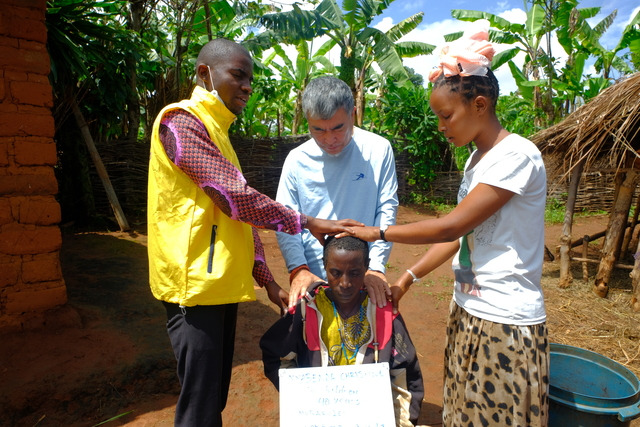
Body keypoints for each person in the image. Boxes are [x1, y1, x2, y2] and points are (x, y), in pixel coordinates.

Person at [340, 21, 549, 427]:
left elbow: (450, 227)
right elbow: (463, 238)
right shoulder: (477, 161)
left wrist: (378, 232)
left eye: (446, 116)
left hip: (506, 321)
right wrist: (407, 280)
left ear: (480, 105)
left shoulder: (517, 156)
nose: (441, 127)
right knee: (464, 415)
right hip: (470, 309)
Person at [147, 38, 360, 427]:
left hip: (218, 286)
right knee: (199, 407)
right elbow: (235, 198)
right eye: (238, 75)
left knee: (212, 399)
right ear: (204, 73)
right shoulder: (182, 122)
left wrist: (268, 282)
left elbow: (235, 220)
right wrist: (308, 222)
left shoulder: (219, 132)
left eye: (250, 79)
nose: (247, 86)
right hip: (193, 290)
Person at [260, 236, 424, 426]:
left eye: (354, 273)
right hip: (317, 417)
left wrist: (401, 422)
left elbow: (405, 375)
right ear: (324, 265)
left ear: (367, 266)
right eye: (335, 272)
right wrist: (299, 395)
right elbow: (276, 356)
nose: (345, 283)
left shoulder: (383, 314)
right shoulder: (306, 310)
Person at [276, 75, 399, 310]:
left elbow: (386, 208)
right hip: (313, 281)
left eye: (338, 128)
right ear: (307, 122)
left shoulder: (378, 149)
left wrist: (376, 267)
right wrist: (298, 269)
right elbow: (286, 220)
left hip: (363, 275)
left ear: (352, 114)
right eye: (318, 130)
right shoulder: (296, 160)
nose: (329, 139)